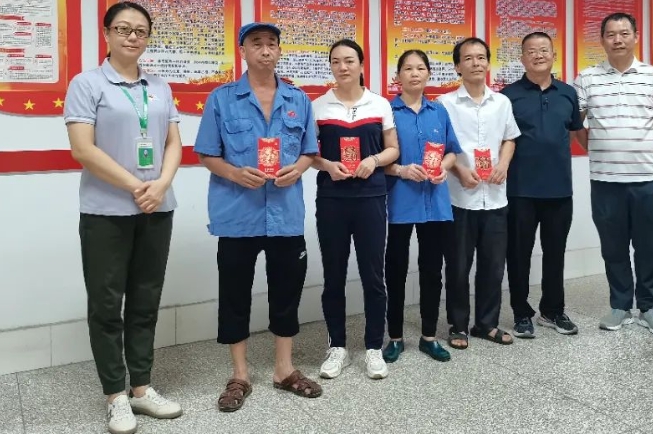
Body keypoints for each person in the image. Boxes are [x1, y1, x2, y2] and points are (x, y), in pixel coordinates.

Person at [64, 1, 183, 434]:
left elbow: (173, 143)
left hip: (157, 208)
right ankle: (115, 395)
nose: (132, 37)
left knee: (146, 301)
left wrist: (161, 184)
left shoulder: (159, 85)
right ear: (107, 34)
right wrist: (137, 186)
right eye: (123, 29)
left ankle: (142, 388)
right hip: (107, 212)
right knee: (106, 304)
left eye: (140, 31)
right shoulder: (87, 83)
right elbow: (83, 148)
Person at [194, 22, 323, 412]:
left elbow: (309, 150)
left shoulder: (298, 99)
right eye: (257, 44)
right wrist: (234, 173)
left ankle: (284, 369)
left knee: (287, 291)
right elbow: (207, 153)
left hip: (285, 214)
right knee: (235, 294)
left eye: (271, 44)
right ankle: (240, 374)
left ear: (279, 51)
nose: (265, 50)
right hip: (237, 214)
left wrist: (299, 168)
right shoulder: (222, 99)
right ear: (243, 51)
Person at [573, 12, 653, 335]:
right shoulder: (586, 78)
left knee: (649, 247)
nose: (618, 39)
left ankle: (649, 307)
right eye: (611, 34)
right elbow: (577, 123)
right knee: (613, 247)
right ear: (602, 40)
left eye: (624, 33)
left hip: (647, 179)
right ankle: (620, 305)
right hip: (605, 180)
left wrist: (638, 147)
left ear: (635, 37)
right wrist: (599, 146)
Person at [312, 39, 400, 379]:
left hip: (371, 197)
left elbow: (393, 149)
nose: (343, 67)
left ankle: (374, 347)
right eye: (336, 61)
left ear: (362, 65)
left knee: (373, 275)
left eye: (349, 60)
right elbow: (308, 154)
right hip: (332, 199)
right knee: (333, 275)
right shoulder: (318, 106)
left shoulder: (379, 104)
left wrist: (373, 160)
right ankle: (337, 347)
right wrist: (326, 165)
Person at [501, 32, 585, 339]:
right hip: (520, 190)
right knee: (518, 254)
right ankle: (521, 313)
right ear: (522, 58)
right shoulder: (508, 96)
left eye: (544, 50)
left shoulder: (568, 93)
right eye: (531, 51)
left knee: (555, 253)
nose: (538, 55)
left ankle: (553, 309)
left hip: (559, 190)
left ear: (553, 55)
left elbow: (573, 132)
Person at [438, 37, 519, 349]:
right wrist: (459, 170)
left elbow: (510, 138)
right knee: (458, 267)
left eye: (481, 57)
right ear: (458, 66)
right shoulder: (445, 104)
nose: (476, 63)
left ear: (488, 62)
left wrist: (504, 164)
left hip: (496, 197)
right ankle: (458, 325)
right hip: (459, 198)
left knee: (493, 266)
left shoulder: (502, 102)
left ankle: (487, 324)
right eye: (468, 58)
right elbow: (439, 147)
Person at [382, 50, 462, 364]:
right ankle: (395, 337)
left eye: (420, 68)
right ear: (398, 76)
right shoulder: (387, 111)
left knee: (432, 271)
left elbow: (452, 150)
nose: (414, 73)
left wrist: (444, 166)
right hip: (399, 202)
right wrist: (401, 170)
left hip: (435, 203)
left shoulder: (438, 111)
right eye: (408, 68)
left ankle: (429, 336)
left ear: (429, 74)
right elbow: (378, 159)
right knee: (395, 271)